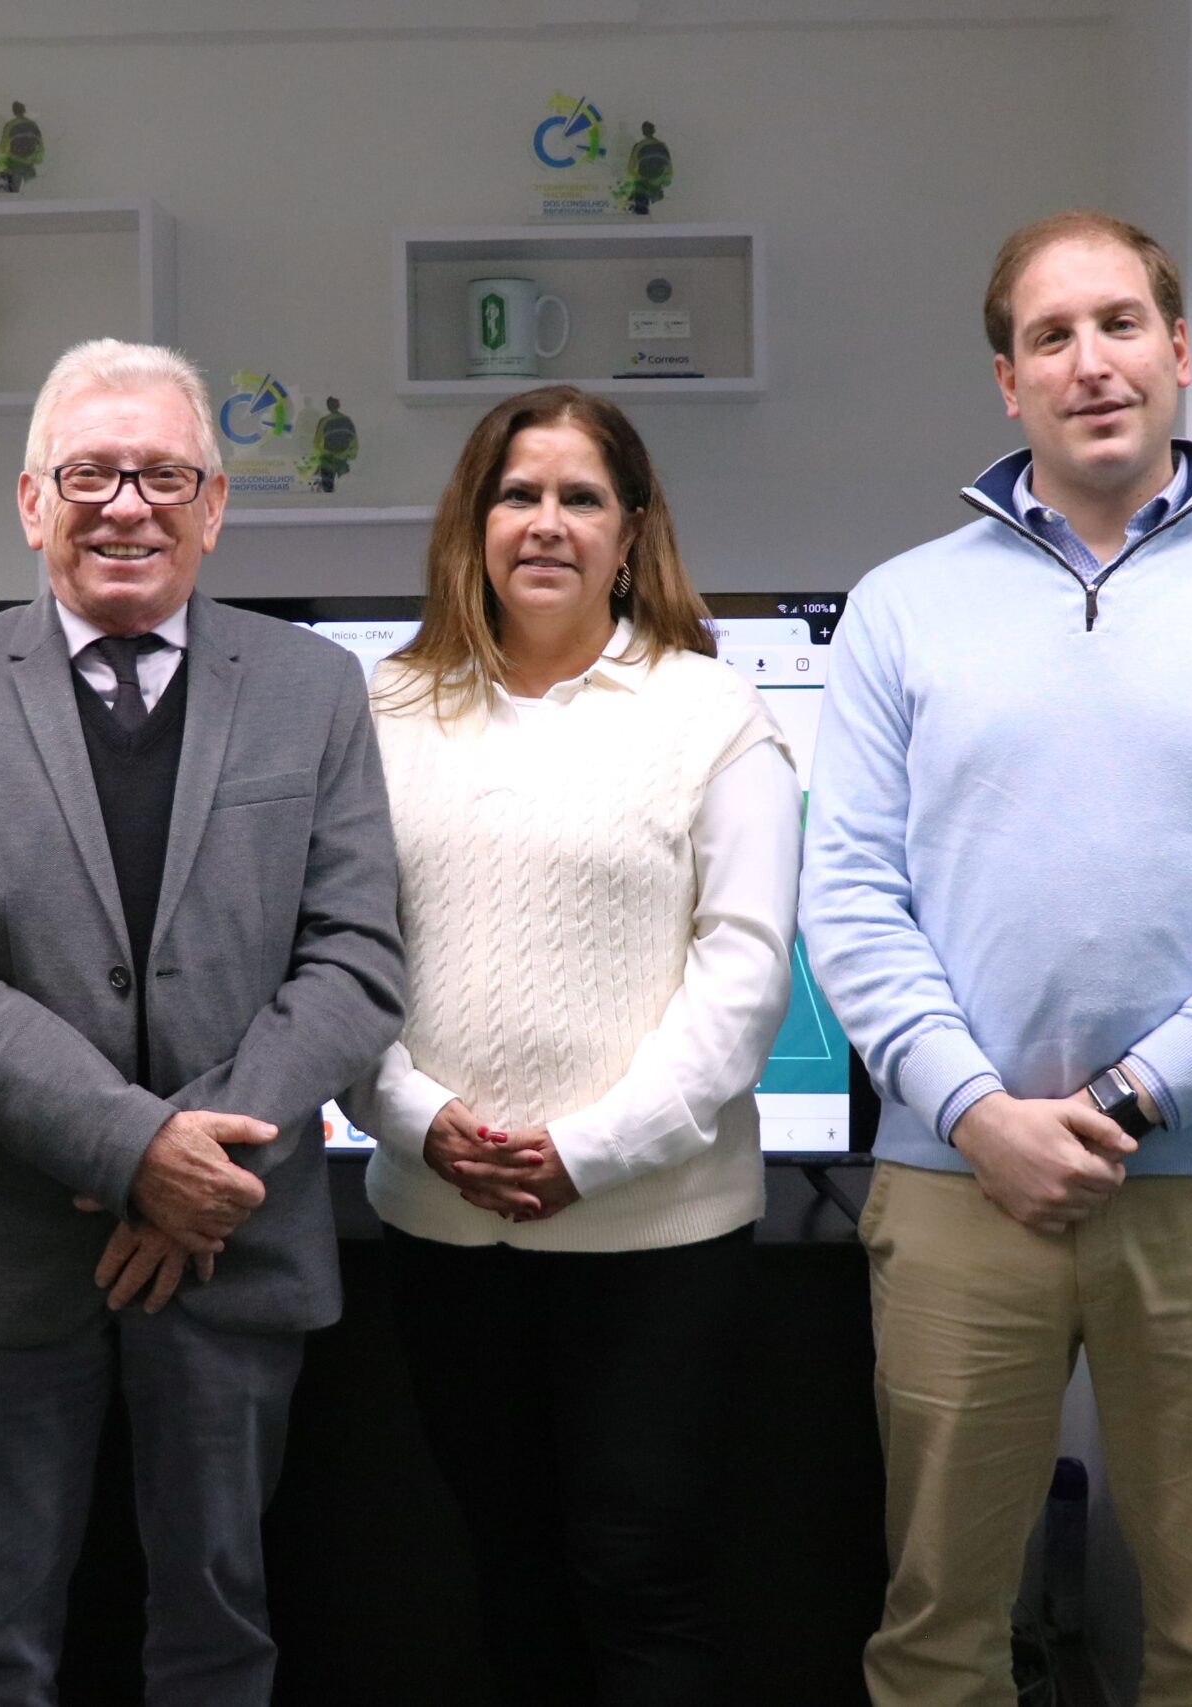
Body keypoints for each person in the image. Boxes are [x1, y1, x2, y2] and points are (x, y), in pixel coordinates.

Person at [800, 211, 1192, 1706]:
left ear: (1179, 352)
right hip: (959, 1194)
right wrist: (981, 1117)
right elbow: (852, 901)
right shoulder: (899, 610)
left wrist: (1127, 1105)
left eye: (1121, 324)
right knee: (937, 1633)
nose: (1092, 363)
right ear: (1007, 381)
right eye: (1051, 337)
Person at [0, 337, 405, 1706]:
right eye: (91, 473)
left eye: (162, 474)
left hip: (235, 1237)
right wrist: (133, 1155)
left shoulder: (315, 690)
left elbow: (354, 959)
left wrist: (198, 1170)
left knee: (221, 1631)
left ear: (214, 505)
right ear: (32, 501)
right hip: (7, 1259)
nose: (127, 505)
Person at [343, 384, 799, 1706]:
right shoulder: (383, 712)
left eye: (580, 497)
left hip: (655, 1244)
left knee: (641, 1575)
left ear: (632, 528)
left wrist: (589, 1152)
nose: (546, 523)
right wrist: (418, 1121)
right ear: (473, 522)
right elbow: (341, 959)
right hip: (442, 1232)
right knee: (509, 1570)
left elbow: (746, 972)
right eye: (517, 493)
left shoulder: (713, 714)